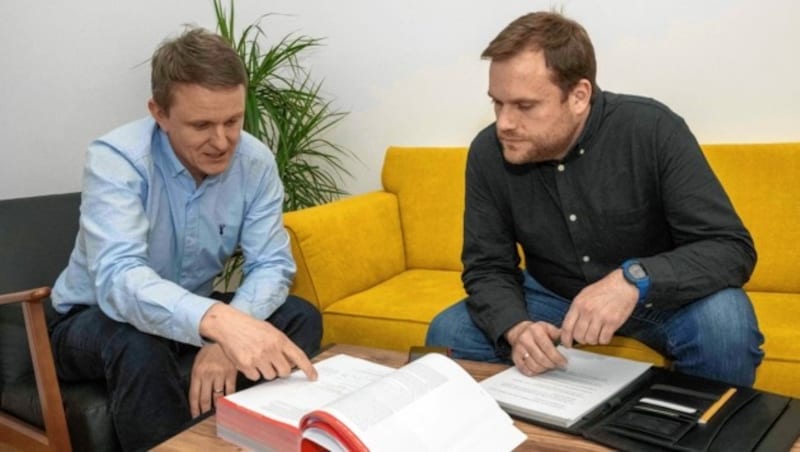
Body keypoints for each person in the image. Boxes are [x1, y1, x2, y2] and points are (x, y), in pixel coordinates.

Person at [426, 11, 764, 387]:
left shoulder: (652, 130)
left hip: (660, 299)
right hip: (552, 296)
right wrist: (516, 328)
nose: (504, 123)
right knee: (449, 332)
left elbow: (730, 248)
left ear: (579, 96)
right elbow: (487, 265)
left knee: (726, 325)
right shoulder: (489, 152)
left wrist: (631, 280)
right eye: (497, 103)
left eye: (524, 106)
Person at [49, 28, 322, 451]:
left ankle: (247, 439)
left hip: (187, 319)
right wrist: (220, 323)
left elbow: (271, 265)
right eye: (201, 125)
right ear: (159, 113)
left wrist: (222, 340)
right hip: (96, 320)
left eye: (233, 120)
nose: (222, 141)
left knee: (300, 315)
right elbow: (120, 279)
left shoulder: (255, 161)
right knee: (136, 341)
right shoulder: (115, 159)